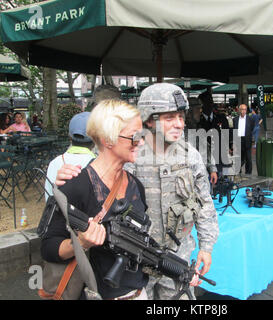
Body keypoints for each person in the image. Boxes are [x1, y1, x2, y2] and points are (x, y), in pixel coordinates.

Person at [55, 83, 219, 300]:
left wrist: (206, 247)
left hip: (177, 259)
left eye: (181, 116)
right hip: (133, 265)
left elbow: (205, 203)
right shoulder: (128, 152)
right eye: (169, 118)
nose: (179, 124)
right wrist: (68, 175)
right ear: (149, 120)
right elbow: (95, 176)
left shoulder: (191, 156)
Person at [40, 99, 149, 300]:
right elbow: (48, 248)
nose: (141, 142)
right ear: (108, 139)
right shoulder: (74, 186)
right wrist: (81, 243)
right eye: (135, 136)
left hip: (139, 293)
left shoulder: (136, 186)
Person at [44, 112, 96, 201]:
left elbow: (48, 198)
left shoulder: (54, 163)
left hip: (60, 214)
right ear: (96, 137)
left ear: (70, 137)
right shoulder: (98, 164)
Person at [186, 97, 218, 185]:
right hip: (189, 179)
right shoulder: (180, 134)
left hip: (203, 178)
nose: (200, 112)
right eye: (197, 109)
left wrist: (212, 169)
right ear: (188, 112)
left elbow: (207, 152)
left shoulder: (199, 130)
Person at [233, 104, 255, 174]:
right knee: (239, 158)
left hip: (247, 140)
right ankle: (238, 172)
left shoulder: (250, 119)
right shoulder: (235, 119)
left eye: (245, 109)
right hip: (238, 140)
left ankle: (248, 174)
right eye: (242, 109)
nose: (243, 111)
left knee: (248, 159)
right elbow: (233, 131)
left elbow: (251, 128)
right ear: (239, 110)